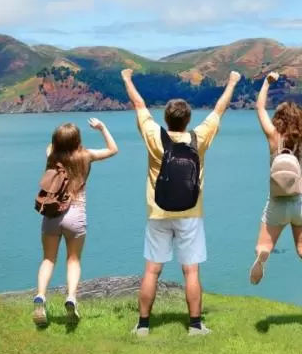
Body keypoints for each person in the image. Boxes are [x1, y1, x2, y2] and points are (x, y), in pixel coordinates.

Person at [121, 67, 241, 337]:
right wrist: (232, 81)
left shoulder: (154, 136)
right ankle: (195, 325)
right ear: (188, 120)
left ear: (166, 118)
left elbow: (138, 104)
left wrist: (127, 79)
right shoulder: (198, 139)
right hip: (191, 212)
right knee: (191, 271)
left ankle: (143, 326)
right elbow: (219, 109)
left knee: (152, 270)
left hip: (158, 211)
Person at [248, 68, 302, 297]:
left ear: (280, 119)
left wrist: (267, 82)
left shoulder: (274, 137)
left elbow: (259, 107)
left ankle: (262, 258)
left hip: (276, 201)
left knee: (264, 245)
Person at [33, 118, 118, 327]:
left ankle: (41, 297)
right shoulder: (86, 156)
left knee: (48, 259)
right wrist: (102, 127)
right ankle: (71, 297)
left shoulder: (51, 156)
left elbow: (51, 145)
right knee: (73, 260)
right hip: (76, 215)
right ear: (77, 140)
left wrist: (59, 139)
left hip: (52, 214)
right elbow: (113, 149)